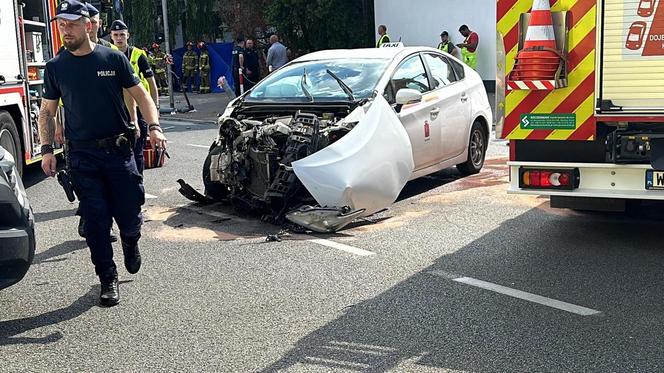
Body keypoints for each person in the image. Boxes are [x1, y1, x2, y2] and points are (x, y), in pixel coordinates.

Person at [38, 0, 167, 307]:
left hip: (118, 152)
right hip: (82, 156)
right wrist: (46, 150)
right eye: (61, 24)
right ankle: (107, 278)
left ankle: (130, 239)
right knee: (95, 220)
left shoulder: (113, 58)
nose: (65, 30)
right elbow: (47, 112)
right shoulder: (56, 67)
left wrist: (155, 126)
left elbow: (142, 95)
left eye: (71, 24)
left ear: (89, 25)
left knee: (129, 212)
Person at [110, 19, 159, 174]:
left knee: (137, 148)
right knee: (118, 150)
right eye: (116, 35)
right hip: (117, 109)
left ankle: (138, 184)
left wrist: (155, 110)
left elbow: (152, 84)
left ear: (128, 36)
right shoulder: (107, 54)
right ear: (111, 36)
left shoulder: (138, 55)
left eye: (122, 35)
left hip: (138, 108)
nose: (119, 38)